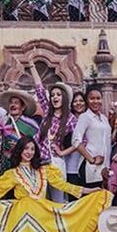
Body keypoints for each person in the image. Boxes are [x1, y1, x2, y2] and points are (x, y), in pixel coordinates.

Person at [71, 85, 113, 232]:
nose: (96, 101)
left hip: (103, 169)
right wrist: (90, 158)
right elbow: (76, 140)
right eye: (92, 98)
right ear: (87, 100)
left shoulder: (103, 118)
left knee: (102, 208)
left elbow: (106, 142)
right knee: (92, 210)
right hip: (90, 169)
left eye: (98, 98)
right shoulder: (85, 117)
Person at [29, 62, 77, 202]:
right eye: (52, 95)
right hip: (39, 163)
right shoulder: (46, 112)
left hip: (55, 164)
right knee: (40, 201)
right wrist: (31, 66)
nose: (55, 97)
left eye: (58, 95)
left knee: (57, 201)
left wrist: (63, 152)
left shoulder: (71, 119)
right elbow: (39, 88)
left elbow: (81, 141)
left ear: (64, 97)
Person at [0, 88, 40, 183]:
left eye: (16, 103)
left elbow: (37, 146)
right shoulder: (3, 122)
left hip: (22, 168)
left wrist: (20, 147)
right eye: (11, 103)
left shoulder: (31, 125)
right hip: (4, 168)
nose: (13, 105)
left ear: (23, 107)